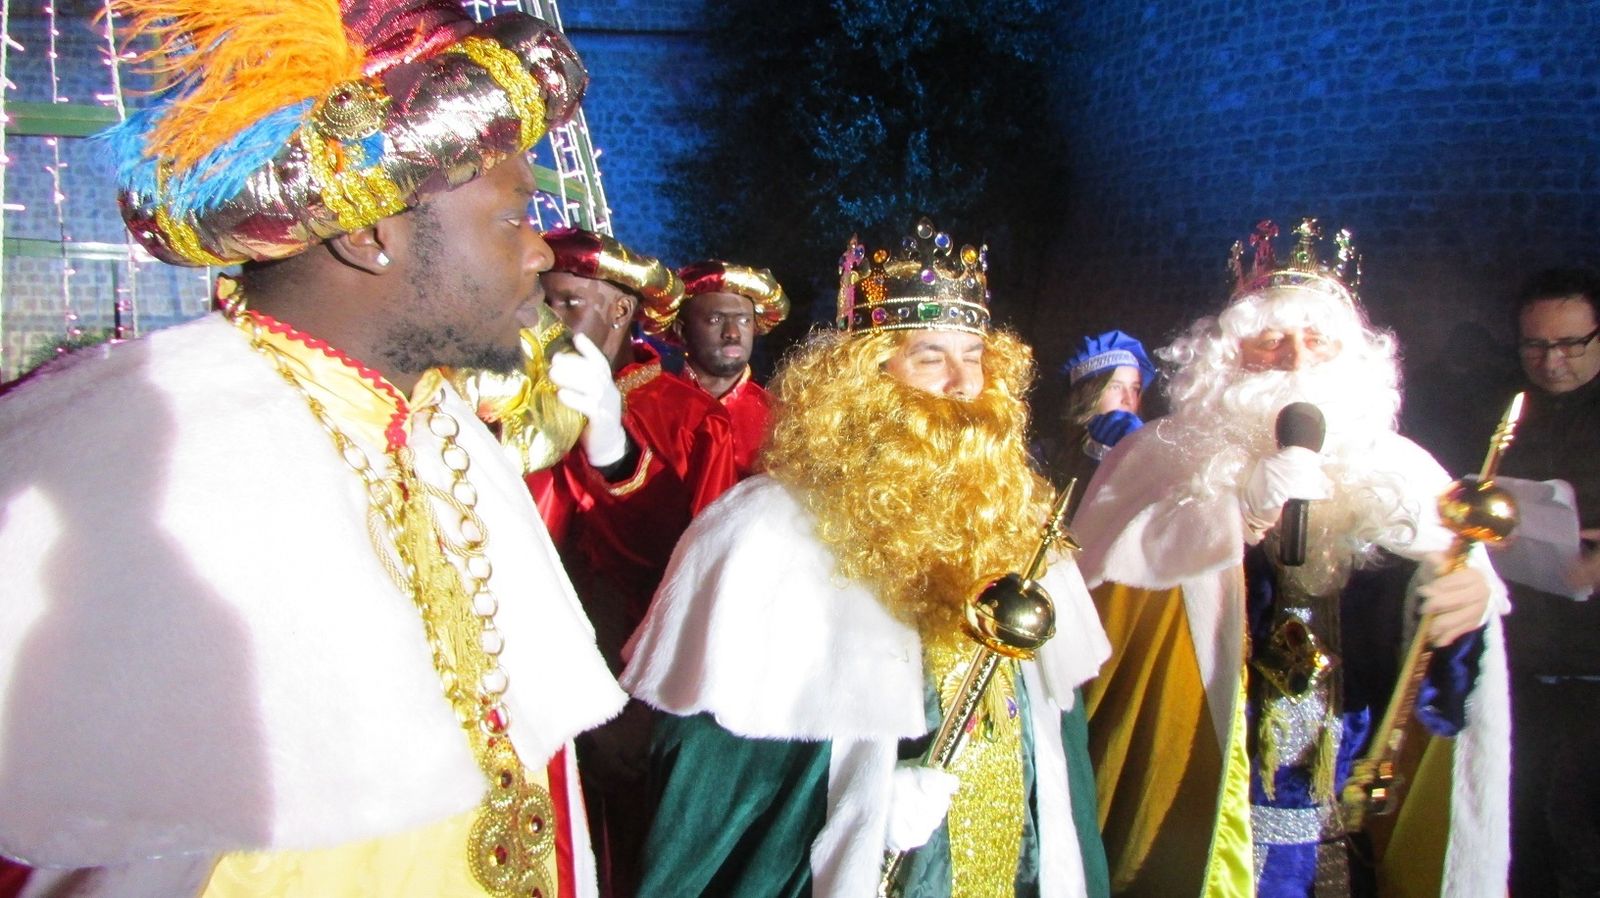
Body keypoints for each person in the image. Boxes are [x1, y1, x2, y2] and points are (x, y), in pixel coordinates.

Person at [0, 3, 628, 896]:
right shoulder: (140, 461)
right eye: (512, 218)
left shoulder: (439, 422)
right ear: (370, 231)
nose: (540, 256)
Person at [624, 219, 1112, 897]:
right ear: (868, 376)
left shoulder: (1018, 522)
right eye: (931, 356)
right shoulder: (769, 534)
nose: (963, 382)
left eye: (974, 355)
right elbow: (720, 799)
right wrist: (864, 807)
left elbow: (1063, 755)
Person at [1073, 219, 1509, 897]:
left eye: (1317, 340)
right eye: (1269, 339)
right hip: (1199, 822)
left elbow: (1446, 677)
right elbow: (1098, 609)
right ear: (1225, 355)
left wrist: (1467, 603)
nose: (1295, 358)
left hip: (1345, 832)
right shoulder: (1153, 457)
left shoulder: (1406, 470)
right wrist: (1226, 519)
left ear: (1351, 356)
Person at [537, 227, 740, 897]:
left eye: (566, 303)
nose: (544, 320)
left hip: (631, 693)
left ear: (621, 310)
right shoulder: (513, 404)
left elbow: (696, 571)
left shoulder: (688, 419)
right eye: (540, 301)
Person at [1499, 267, 1600, 896]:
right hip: (1525, 665)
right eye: (1536, 346)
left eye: (1571, 344)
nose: (1552, 361)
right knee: (1524, 842)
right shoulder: (1509, 409)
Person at [669, 260, 789, 476]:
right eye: (715, 319)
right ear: (681, 331)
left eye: (744, 321)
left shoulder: (781, 420)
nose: (733, 332)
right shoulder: (652, 410)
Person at [1039, 330, 1157, 509]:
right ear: (1089, 394)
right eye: (1115, 387)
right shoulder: (1043, 456)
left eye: (1135, 389)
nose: (1128, 399)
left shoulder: (1153, 449)